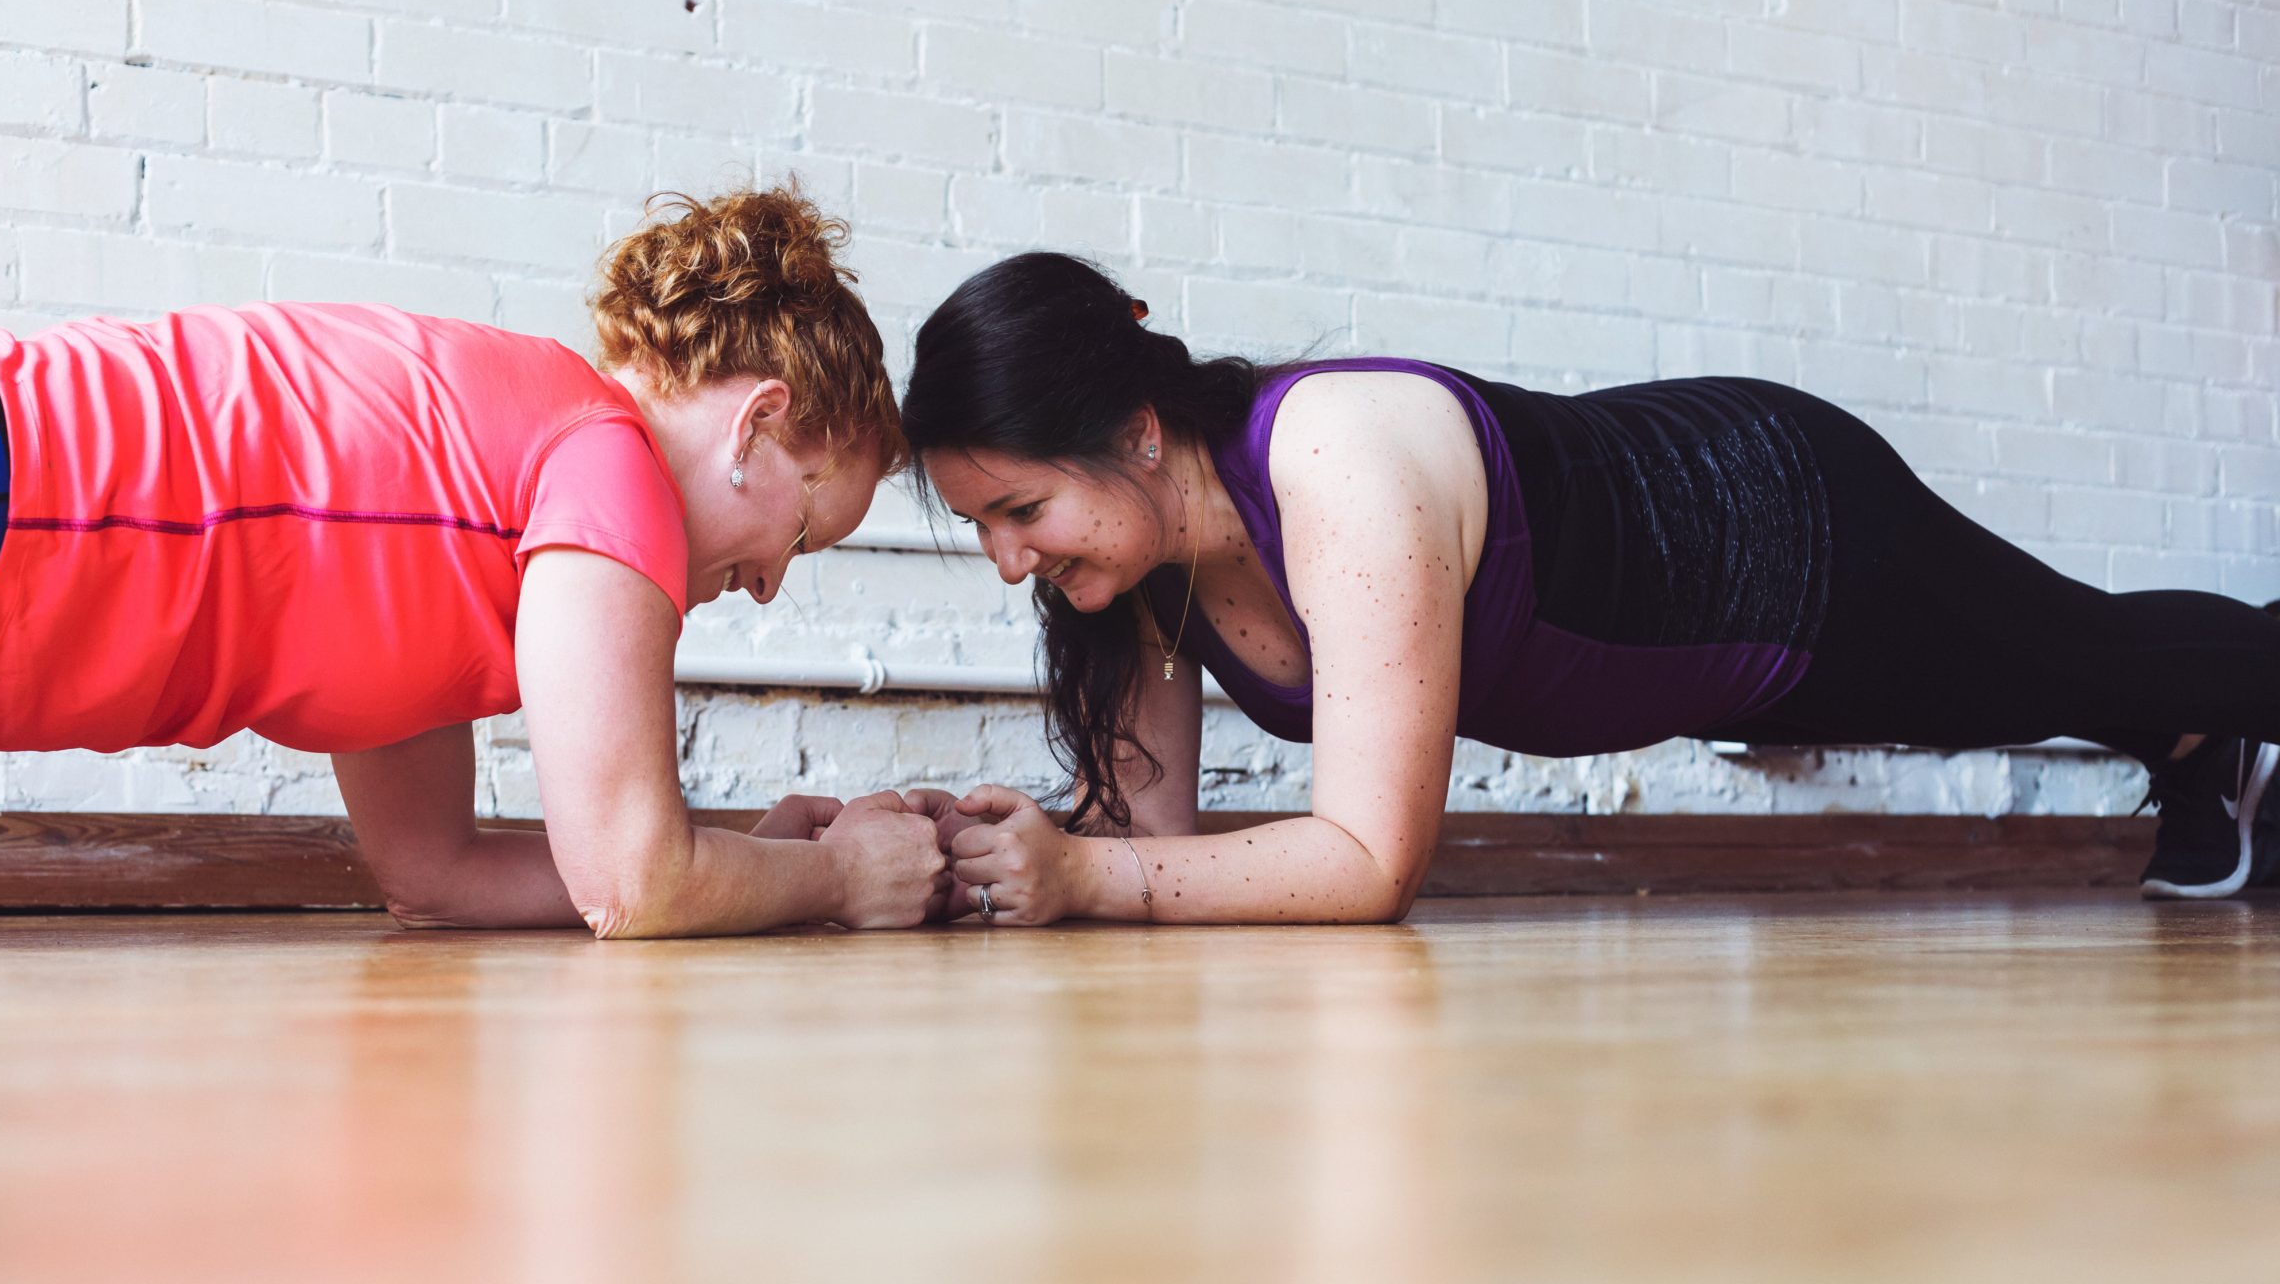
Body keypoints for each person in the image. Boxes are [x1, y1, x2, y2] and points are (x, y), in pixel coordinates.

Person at [900, 251, 2279, 927]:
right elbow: (1149, 834)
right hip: (1724, 627)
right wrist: (993, 846)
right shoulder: (1139, 570)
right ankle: (2189, 747)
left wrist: (1088, 877)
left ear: (1138, 430)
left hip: (1780, 528)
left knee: (2067, 656)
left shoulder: (1336, 462)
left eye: (1022, 511)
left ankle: (2199, 713)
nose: (1011, 559)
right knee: (2028, 690)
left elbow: (1371, 861)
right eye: (981, 527)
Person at [0, 185, 949, 937]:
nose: (775, 583)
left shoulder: (483, 498)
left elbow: (439, 874)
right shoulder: (604, 464)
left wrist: (770, 857)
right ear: (755, 424)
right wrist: (835, 880)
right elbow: (633, 881)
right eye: (798, 531)